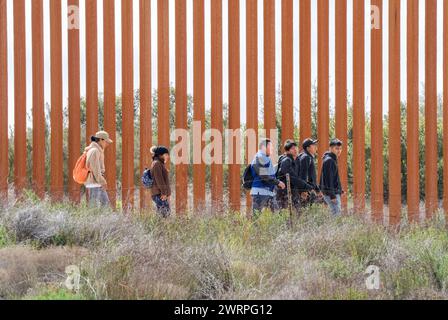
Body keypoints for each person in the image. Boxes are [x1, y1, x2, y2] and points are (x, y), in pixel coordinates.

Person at [250, 139, 286, 215]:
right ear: (263, 147)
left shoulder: (264, 158)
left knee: (276, 215)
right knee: (256, 218)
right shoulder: (259, 157)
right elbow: (264, 175)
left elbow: (269, 173)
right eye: (270, 146)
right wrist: (278, 182)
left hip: (268, 192)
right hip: (260, 192)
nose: (272, 148)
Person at [276, 140, 313, 213]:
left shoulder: (296, 160)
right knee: (285, 213)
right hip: (284, 192)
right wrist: (306, 186)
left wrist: (303, 189)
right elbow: (292, 178)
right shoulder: (286, 161)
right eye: (292, 148)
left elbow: (298, 177)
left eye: (296, 147)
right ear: (287, 151)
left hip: (293, 191)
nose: (295, 149)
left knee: (298, 212)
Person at [84, 131, 113, 207]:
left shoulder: (95, 150)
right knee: (95, 205)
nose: (107, 144)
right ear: (101, 140)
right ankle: (92, 219)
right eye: (106, 141)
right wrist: (102, 181)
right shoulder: (95, 151)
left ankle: (103, 218)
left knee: (105, 204)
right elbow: (96, 169)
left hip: (96, 181)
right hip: (94, 182)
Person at [320, 139, 344, 216]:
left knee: (335, 214)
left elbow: (334, 177)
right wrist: (332, 195)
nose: (339, 151)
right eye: (336, 148)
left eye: (340, 148)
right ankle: (335, 228)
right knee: (336, 215)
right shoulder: (329, 160)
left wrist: (340, 189)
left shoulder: (332, 159)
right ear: (330, 148)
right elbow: (328, 179)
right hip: (332, 193)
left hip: (334, 192)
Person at [297, 138, 322, 205]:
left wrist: (317, 190)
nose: (315, 147)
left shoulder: (308, 157)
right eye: (313, 145)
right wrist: (303, 191)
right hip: (306, 191)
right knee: (305, 211)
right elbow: (303, 175)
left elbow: (312, 177)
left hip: (309, 190)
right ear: (308, 148)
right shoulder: (306, 157)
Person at [150, 146, 171, 217]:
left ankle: (158, 227)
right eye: (166, 155)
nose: (167, 157)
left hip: (160, 193)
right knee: (165, 214)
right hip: (159, 194)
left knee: (162, 214)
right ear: (160, 155)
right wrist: (164, 193)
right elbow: (159, 180)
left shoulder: (159, 163)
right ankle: (159, 227)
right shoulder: (157, 164)